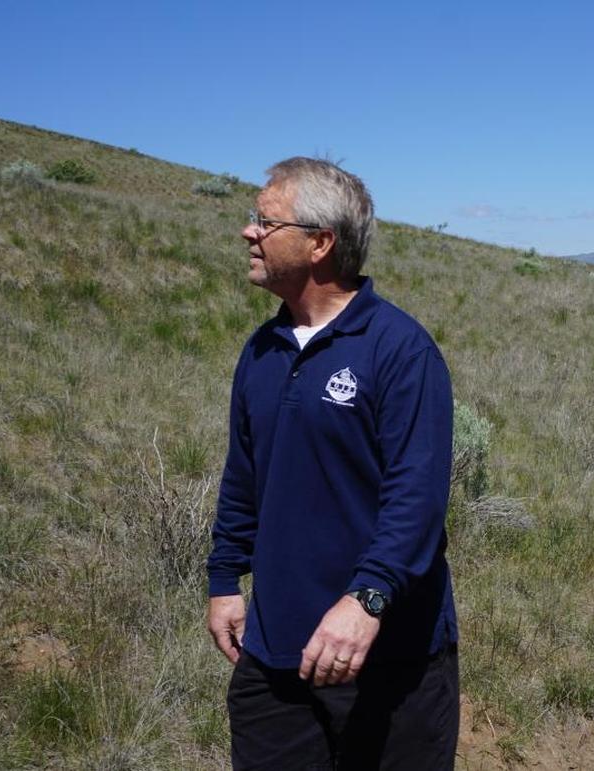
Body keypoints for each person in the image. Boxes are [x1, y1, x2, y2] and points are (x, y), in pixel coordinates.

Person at [206, 157, 459, 770]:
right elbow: (244, 477)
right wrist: (223, 580)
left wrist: (366, 600)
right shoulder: (262, 350)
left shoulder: (398, 349)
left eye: (264, 222)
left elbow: (416, 499)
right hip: (274, 655)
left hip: (389, 657)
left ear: (320, 243)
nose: (248, 234)